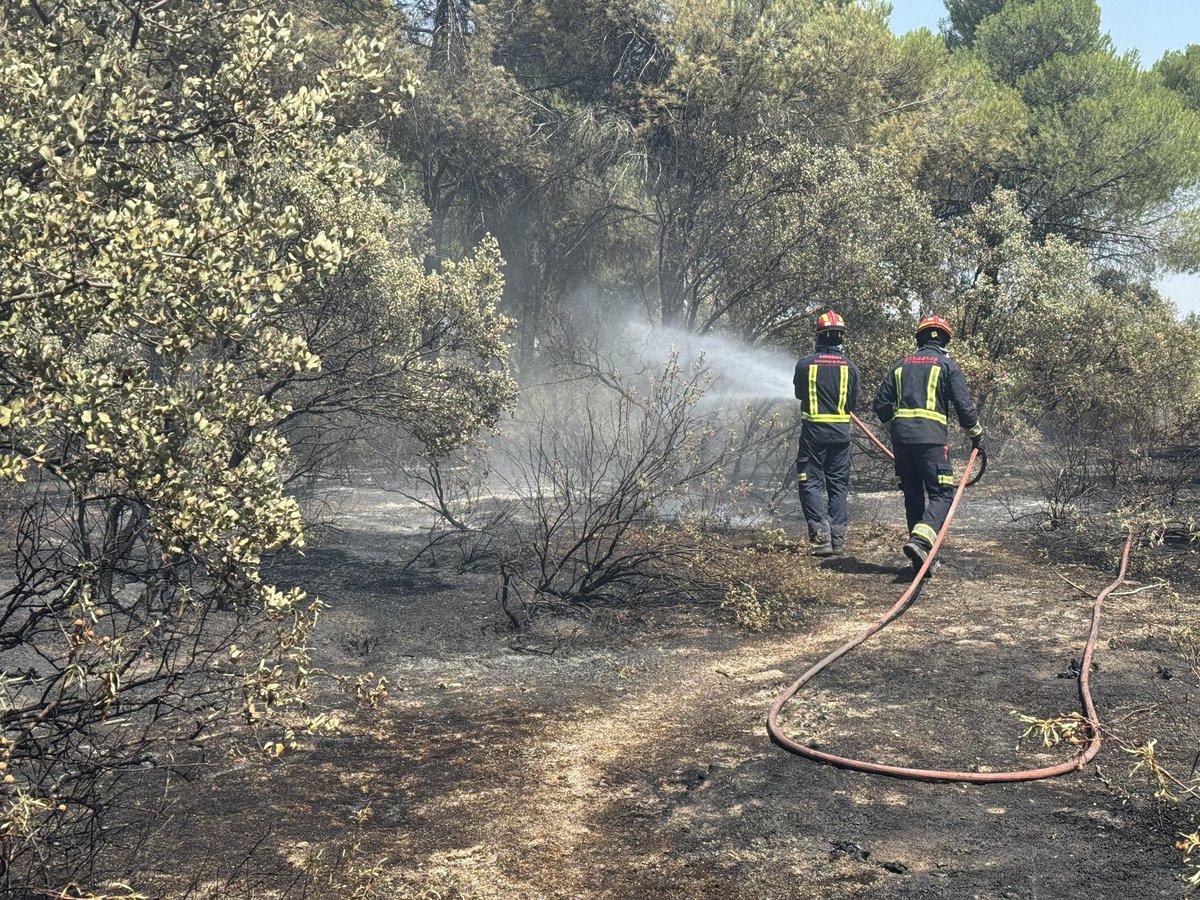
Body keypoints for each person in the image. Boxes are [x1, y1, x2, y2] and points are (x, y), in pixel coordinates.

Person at [872, 315, 986, 574]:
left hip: (902, 443)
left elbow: (880, 405)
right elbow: (964, 406)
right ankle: (922, 541)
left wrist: (895, 427)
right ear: (945, 339)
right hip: (932, 442)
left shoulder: (899, 366)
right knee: (942, 494)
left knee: (913, 497)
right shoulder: (947, 366)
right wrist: (976, 435)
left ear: (919, 339)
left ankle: (920, 559)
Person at [793, 311, 860, 556]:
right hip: (841, 437)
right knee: (838, 486)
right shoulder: (850, 369)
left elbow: (800, 394)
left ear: (818, 336)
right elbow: (851, 404)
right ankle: (838, 541)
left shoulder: (804, 365)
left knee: (809, 482)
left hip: (813, 436)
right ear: (841, 338)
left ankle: (821, 538)